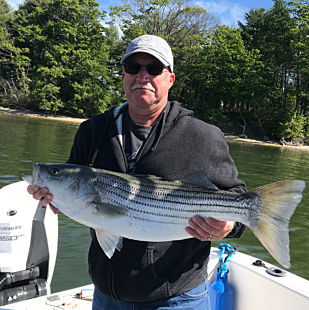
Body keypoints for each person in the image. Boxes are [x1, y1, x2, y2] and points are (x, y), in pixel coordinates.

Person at [27, 34, 246, 309]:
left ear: (170, 79)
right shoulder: (92, 131)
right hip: (107, 293)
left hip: (177, 296)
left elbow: (238, 200)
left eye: (154, 69)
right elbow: (76, 195)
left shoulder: (203, 136)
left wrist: (226, 226)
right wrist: (53, 196)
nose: (142, 76)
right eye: (134, 68)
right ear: (123, 76)